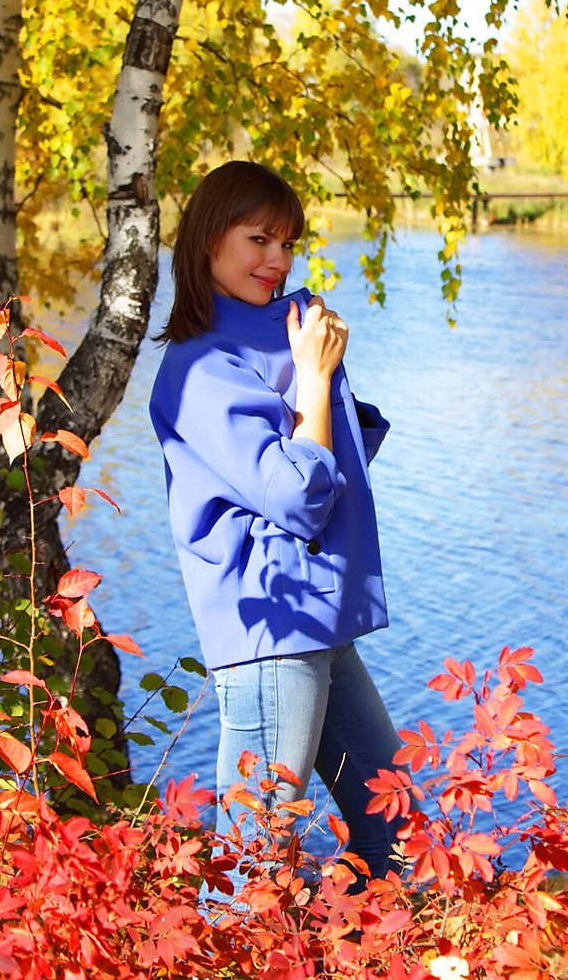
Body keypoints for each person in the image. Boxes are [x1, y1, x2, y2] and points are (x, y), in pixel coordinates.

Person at [148, 159, 403, 900]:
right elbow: (298, 496)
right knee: (255, 859)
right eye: (259, 238)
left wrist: (321, 380)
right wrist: (315, 381)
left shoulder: (273, 337)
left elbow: (337, 460)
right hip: (270, 633)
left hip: (315, 622)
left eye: (288, 242)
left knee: (400, 826)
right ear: (207, 244)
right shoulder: (200, 368)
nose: (279, 260)